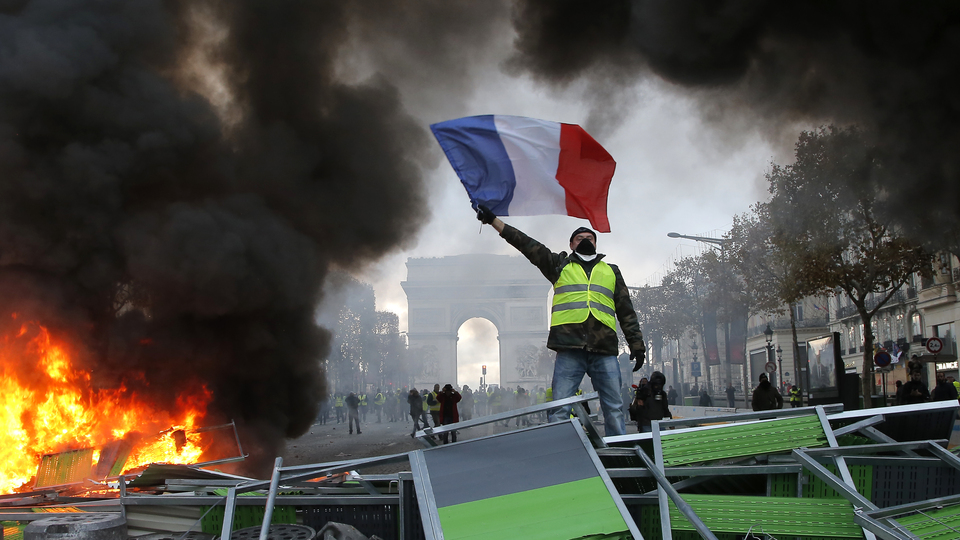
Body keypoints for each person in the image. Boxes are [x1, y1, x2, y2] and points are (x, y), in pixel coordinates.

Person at [477, 207, 645, 437]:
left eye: (589, 238)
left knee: (614, 408)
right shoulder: (558, 265)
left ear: (596, 244)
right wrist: (494, 221)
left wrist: (637, 344)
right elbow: (526, 244)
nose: (585, 240)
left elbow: (626, 311)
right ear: (571, 244)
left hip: (603, 348)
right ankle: (562, 451)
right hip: (570, 348)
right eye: (580, 238)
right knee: (559, 408)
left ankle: (620, 456)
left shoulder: (612, 271)